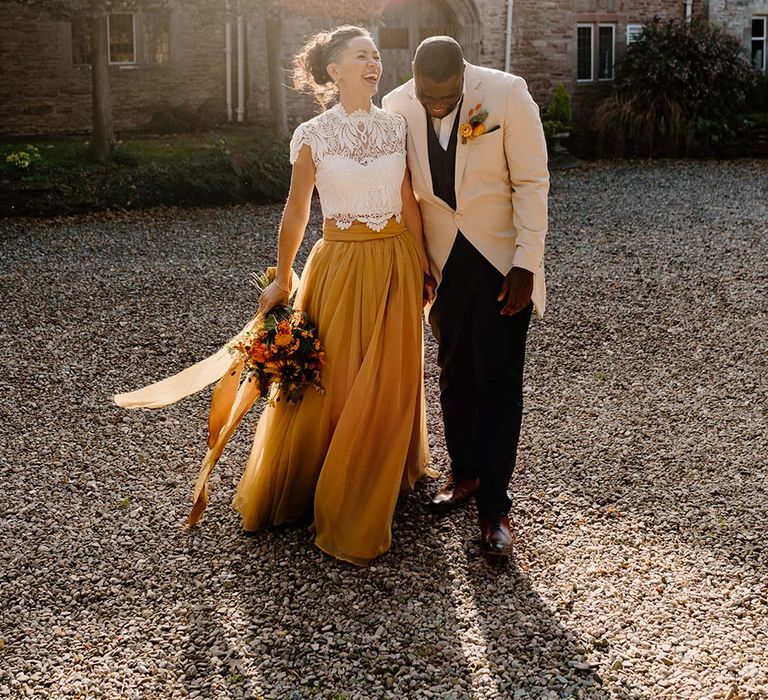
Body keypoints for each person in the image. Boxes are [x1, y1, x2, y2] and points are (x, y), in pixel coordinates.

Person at [115, 25, 435, 566]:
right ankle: (327, 482)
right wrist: (282, 276)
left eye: (377, 56)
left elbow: (409, 199)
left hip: (396, 261)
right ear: (334, 71)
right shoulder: (313, 134)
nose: (374, 63)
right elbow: (296, 209)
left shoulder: (397, 128)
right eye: (362, 56)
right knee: (336, 377)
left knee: (389, 375)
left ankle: (377, 473)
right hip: (338, 263)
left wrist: (424, 265)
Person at [382, 36, 549, 556]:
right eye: (428, 98)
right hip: (442, 265)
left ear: (464, 76)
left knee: (498, 380)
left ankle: (496, 508)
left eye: (447, 99)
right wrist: (416, 262)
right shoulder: (395, 106)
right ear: (414, 77)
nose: (436, 106)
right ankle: (466, 473)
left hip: (502, 263)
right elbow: (405, 189)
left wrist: (526, 264)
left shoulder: (505, 93)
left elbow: (532, 181)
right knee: (454, 374)